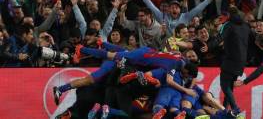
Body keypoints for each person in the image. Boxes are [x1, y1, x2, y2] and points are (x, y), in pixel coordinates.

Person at [53, 43, 195, 105]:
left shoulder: (180, 57)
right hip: (135, 60)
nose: (185, 77)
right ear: (186, 70)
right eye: (187, 75)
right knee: (93, 77)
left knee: (120, 53)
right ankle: (82, 49)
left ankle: (101, 44)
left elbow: (174, 47)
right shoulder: (173, 66)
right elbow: (169, 81)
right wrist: (186, 89)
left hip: (143, 54)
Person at [219, 6, 251, 116]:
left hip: (230, 60)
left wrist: (209, 46)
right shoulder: (246, 26)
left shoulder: (228, 25)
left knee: (224, 85)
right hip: (241, 61)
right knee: (230, 86)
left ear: (228, 15)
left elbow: (220, 38)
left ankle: (235, 108)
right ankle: (224, 108)